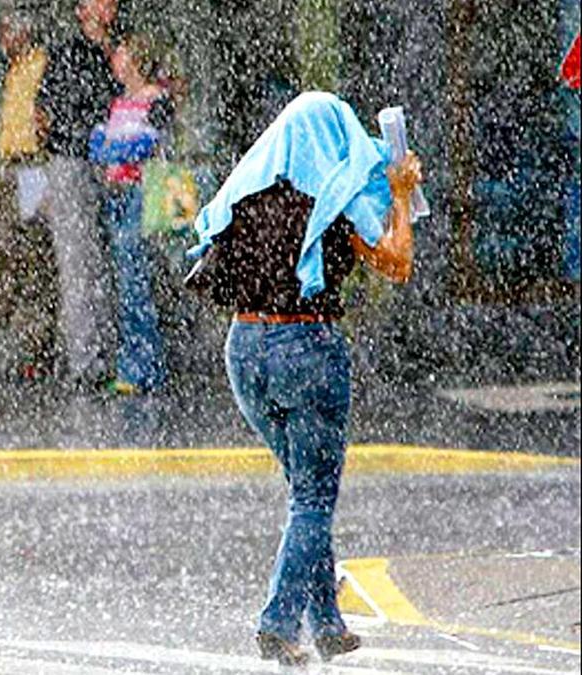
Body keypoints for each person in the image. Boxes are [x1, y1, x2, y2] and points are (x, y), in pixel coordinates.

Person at [186, 92, 423, 665]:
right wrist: (399, 190)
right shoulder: (336, 198)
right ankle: (278, 621)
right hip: (307, 347)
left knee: (305, 497)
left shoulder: (242, 195)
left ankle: (328, 622)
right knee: (314, 498)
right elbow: (398, 262)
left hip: (244, 350)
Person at [36, 0, 122, 388]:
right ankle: (85, 360)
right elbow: (59, 112)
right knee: (80, 267)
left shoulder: (119, 52)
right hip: (75, 162)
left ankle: (103, 356)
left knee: (103, 265)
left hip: (110, 167)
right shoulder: (71, 54)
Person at [88, 33, 169, 394]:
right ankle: (132, 364)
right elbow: (99, 147)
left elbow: (146, 145)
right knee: (125, 284)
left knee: (137, 284)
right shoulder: (119, 103)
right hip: (116, 196)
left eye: (120, 55)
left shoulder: (156, 101)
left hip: (139, 197)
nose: (114, 61)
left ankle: (144, 367)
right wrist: (114, 149)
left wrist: (114, 148)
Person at [0, 11, 58, 380]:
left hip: (32, 166)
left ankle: (37, 351)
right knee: (6, 256)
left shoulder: (42, 64)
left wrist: (43, 172)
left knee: (35, 259)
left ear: (24, 31)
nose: (2, 37)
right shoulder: (14, 69)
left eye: (6, 30)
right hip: (11, 165)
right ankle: (15, 348)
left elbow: (44, 118)